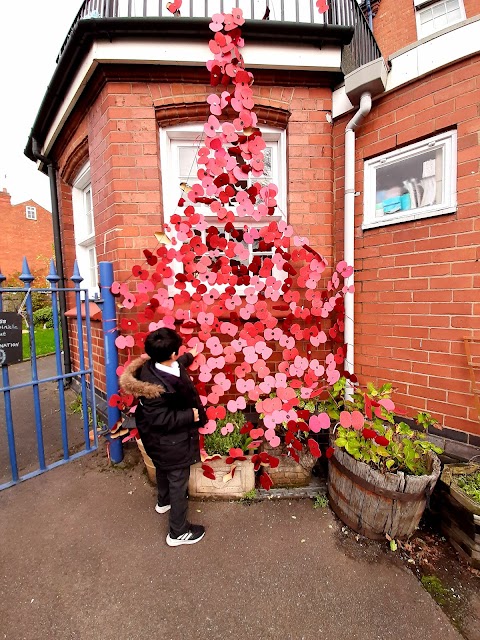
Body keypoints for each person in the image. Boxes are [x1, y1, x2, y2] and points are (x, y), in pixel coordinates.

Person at [120, 327, 207, 546]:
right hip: (170, 439)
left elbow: (176, 365)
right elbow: (160, 418)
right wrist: (191, 414)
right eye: (178, 351)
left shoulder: (157, 366)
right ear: (172, 354)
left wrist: (190, 356)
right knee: (178, 478)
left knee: (162, 467)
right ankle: (178, 532)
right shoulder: (155, 389)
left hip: (158, 440)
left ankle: (163, 501)